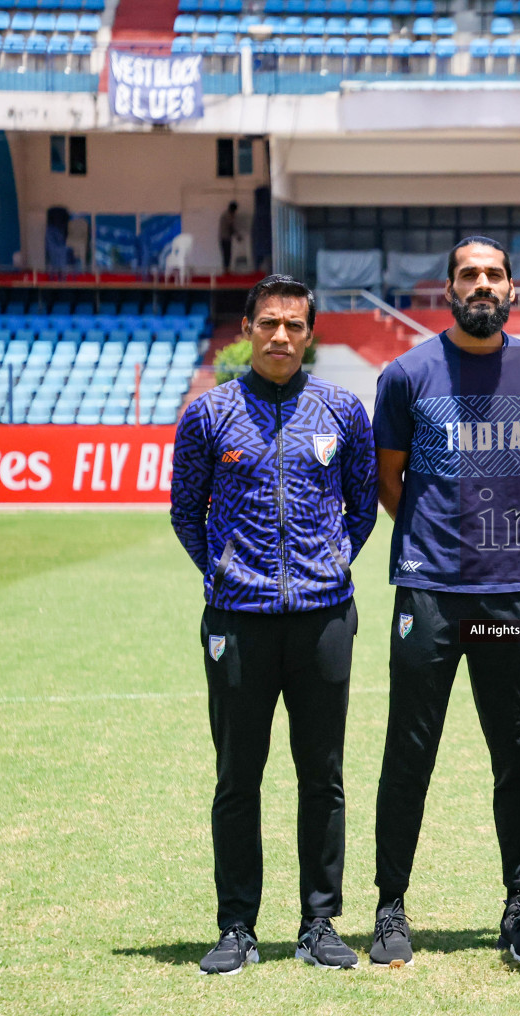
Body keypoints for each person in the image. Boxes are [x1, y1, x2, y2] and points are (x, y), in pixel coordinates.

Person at [368, 236, 520, 967]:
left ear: (512, 289)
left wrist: (500, 538)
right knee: (408, 753)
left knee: (519, 755)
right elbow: (388, 480)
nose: (481, 284)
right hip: (427, 589)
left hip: (510, 590)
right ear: (447, 288)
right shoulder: (407, 374)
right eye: (468, 274)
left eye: (494, 274)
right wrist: (435, 542)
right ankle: (390, 906)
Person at [170, 274, 379, 975]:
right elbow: (185, 512)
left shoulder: (343, 410)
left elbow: (363, 506)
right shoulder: (209, 414)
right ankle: (237, 926)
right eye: (268, 324)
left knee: (322, 775)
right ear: (248, 330)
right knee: (238, 776)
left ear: (310, 332)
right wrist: (228, 573)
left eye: (293, 325)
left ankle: (320, 923)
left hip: (324, 618)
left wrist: (330, 563)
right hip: (238, 621)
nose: (281, 336)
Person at [219, 202, 239, 275]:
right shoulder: (228, 215)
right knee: (227, 254)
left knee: (226, 254)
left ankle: (227, 269)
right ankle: (226, 270)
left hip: (224, 237)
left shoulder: (226, 214)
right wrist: (237, 236)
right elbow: (231, 227)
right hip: (225, 238)